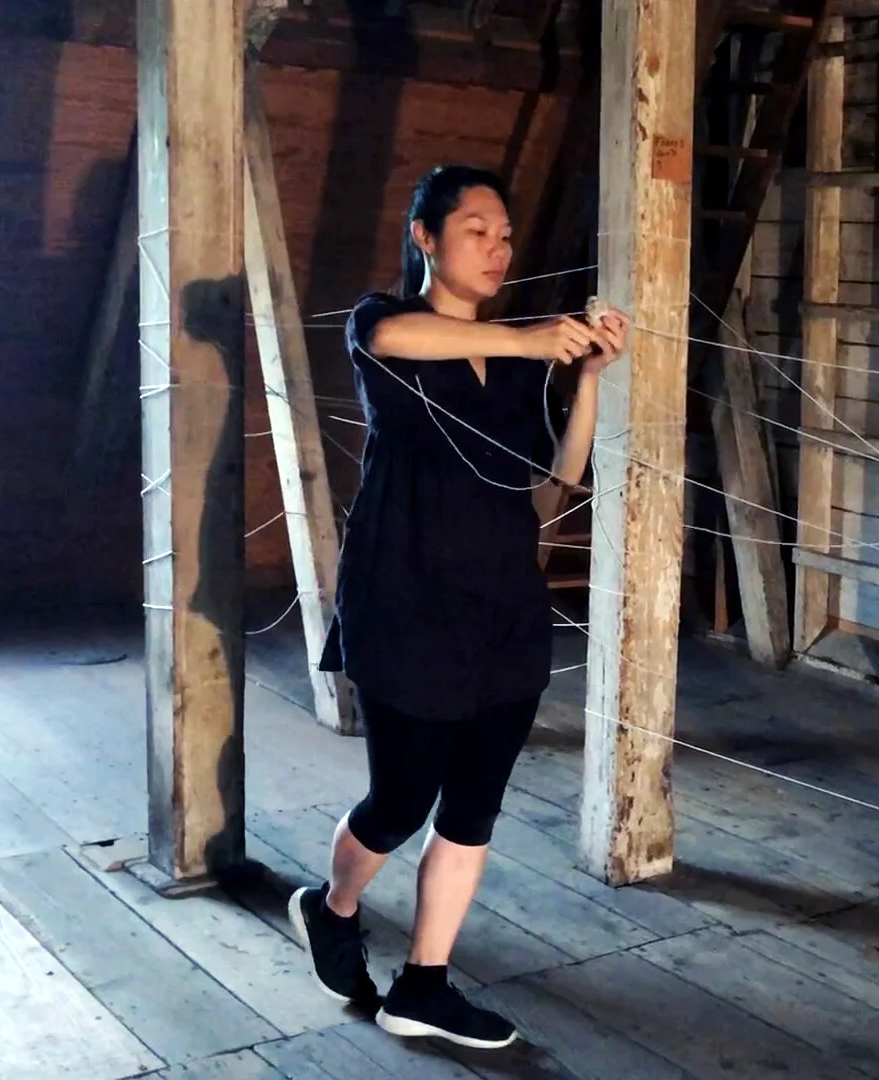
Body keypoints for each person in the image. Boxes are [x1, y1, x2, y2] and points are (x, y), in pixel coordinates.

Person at [286, 164, 628, 1050]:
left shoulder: (517, 367)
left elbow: (551, 489)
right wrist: (531, 340)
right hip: (405, 600)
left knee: (473, 806)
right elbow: (396, 337)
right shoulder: (381, 323)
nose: (497, 248)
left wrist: (589, 378)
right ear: (425, 238)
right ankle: (333, 907)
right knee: (400, 799)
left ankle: (424, 985)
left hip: (503, 609)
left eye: (506, 235)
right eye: (477, 230)